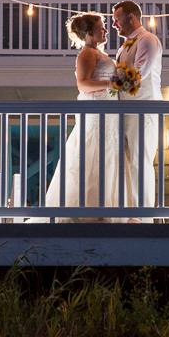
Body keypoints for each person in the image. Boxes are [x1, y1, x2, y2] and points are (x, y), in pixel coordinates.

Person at [44, 13, 131, 213]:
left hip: (108, 114)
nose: (106, 30)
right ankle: (92, 209)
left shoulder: (98, 54)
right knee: (94, 157)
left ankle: (106, 208)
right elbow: (83, 84)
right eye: (101, 28)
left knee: (107, 158)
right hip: (97, 114)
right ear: (90, 33)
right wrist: (112, 83)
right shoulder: (88, 54)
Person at [112, 0, 164, 208]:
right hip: (126, 111)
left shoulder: (148, 39)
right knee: (127, 162)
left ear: (131, 17)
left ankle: (142, 214)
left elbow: (138, 74)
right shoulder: (125, 46)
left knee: (140, 161)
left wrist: (108, 84)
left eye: (117, 19)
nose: (114, 24)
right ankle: (128, 209)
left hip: (144, 108)